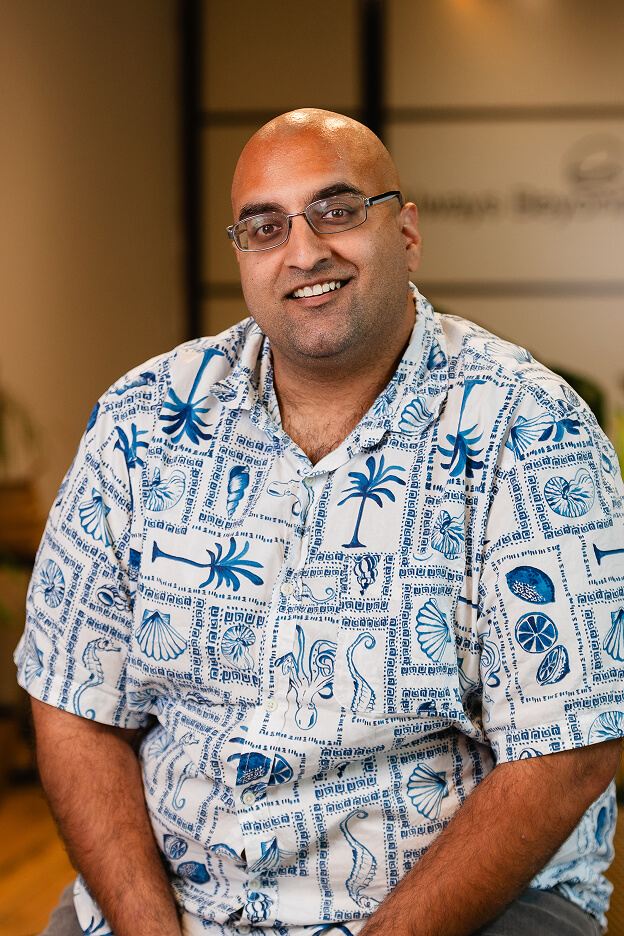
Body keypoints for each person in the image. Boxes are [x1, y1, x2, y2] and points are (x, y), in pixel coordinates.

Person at [16, 108, 624, 936]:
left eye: (337, 211)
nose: (303, 252)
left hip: (465, 908)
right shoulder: (142, 420)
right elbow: (73, 701)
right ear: (242, 255)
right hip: (173, 902)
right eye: (265, 227)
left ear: (406, 232)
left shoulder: (529, 429)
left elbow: (569, 751)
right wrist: (147, 927)